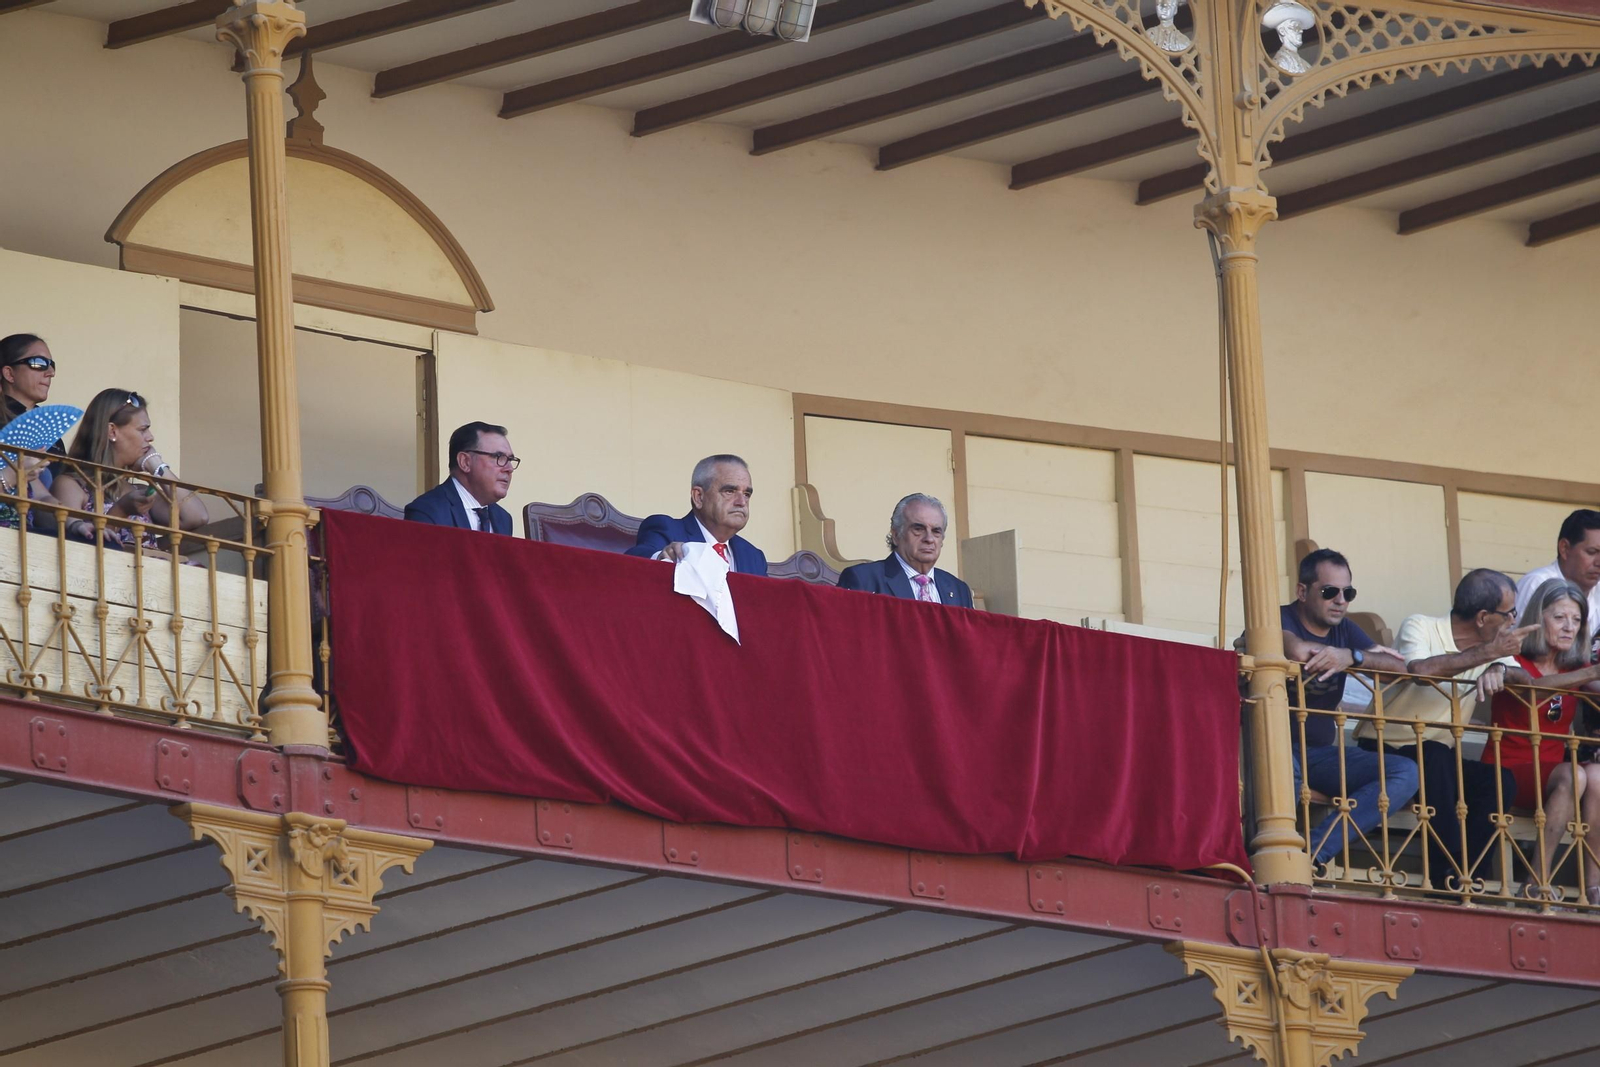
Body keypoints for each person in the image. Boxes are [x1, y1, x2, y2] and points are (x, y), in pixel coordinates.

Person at [1356, 568, 1527, 886]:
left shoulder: (1492, 648)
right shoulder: (1421, 625)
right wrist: (1488, 654)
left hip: (1438, 758)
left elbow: (1525, 679)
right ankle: (1444, 876)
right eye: (1510, 613)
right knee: (1435, 755)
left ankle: (1469, 877)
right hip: (1384, 748)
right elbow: (1420, 671)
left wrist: (1500, 668)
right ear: (1482, 617)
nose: (1514, 621)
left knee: (1498, 780)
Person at [1277, 548, 1418, 869]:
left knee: (1405, 772)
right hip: (1269, 747)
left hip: (1318, 754)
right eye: (1330, 592)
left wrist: (1352, 656)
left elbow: (1398, 668)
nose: (1340, 601)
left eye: (1348, 593)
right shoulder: (1278, 618)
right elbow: (1298, 651)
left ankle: (1312, 853)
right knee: (1282, 773)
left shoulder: (1346, 630)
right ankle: (1270, 859)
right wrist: (1344, 654)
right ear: (1302, 592)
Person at [1484, 577, 1600, 903]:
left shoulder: (1575, 666)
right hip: (1507, 769)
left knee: (1596, 776)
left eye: (1577, 620)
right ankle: (1537, 882)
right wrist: (1590, 673)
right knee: (1574, 775)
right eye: (1559, 617)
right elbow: (1533, 689)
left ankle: (1595, 887)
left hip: (1552, 775)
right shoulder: (1512, 659)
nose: (1569, 627)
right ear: (1538, 618)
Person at [51, 388, 209, 549]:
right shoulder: (71, 485)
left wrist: (157, 467)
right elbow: (78, 547)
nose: (150, 437)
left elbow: (197, 517)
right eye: (142, 429)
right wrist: (121, 510)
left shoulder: (138, 491)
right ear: (112, 431)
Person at [627, 454, 767, 576]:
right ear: (699, 497)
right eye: (729, 491)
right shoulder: (666, 530)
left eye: (746, 494)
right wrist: (660, 558)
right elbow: (632, 563)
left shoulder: (753, 557)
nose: (741, 502)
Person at [838, 493, 973, 607]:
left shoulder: (959, 589)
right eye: (918, 529)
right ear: (896, 535)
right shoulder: (863, 580)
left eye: (936, 531)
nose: (929, 539)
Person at [404, 422, 516, 534]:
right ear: (465, 462)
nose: (509, 468)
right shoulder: (427, 512)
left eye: (510, 460)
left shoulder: (503, 518)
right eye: (498, 457)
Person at [0, 333, 64, 517]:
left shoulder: (52, 429)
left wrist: (74, 523)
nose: (50, 372)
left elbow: (46, 495)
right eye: (39, 363)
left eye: (51, 365)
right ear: (9, 373)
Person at [1515, 509, 1600, 643]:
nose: (1598, 562)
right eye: (1592, 552)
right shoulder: (1536, 583)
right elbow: (1513, 646)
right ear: (1564, 548)